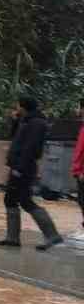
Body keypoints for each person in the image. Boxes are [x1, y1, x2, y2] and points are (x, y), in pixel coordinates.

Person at [0, 96, 64, 250]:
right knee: (10, 200)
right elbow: (15, 139)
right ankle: (12, 238)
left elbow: (30, 147)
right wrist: (15, 121)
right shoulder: (26, 121)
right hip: (18, 166)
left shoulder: (36, 123)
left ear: (23, 107)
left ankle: (52, 235)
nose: (16, 108)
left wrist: (19, 168)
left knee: (25, 201)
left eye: (18, 106)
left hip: (24, 167)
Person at [71, 97, 84, 242]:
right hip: (79, 171)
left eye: (80, 107)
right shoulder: (82, 127)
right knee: (81, 201)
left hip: (82, 172)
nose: (78, 110)